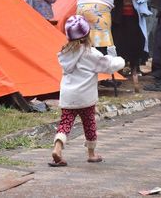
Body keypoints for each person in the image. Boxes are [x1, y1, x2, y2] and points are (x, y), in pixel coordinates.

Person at [49, 15, 125, 167]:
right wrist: (118, 58)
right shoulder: (91, 54)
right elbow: (109, 65)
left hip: (68, 97)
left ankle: (57, 148)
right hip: (85, 98)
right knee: (89, 125)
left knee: (65, 124)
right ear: (87, 35)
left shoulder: (64, 54)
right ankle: (91, 154)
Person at [111, 0, 151, 92]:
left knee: (136, 41)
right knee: (119, 42)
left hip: (135, 13)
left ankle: (134, 68)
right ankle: (119, 71)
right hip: (119, 13)